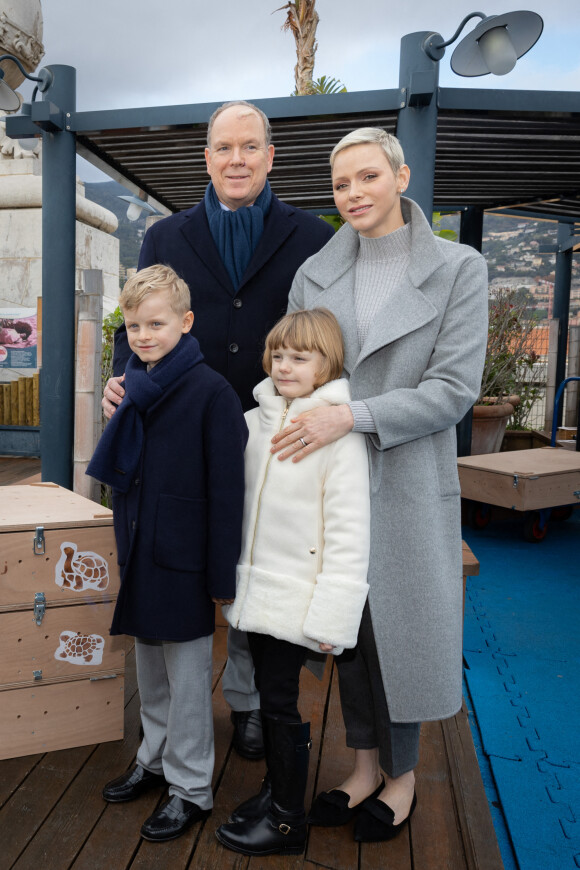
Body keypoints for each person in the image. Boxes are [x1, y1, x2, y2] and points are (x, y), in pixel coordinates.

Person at [270, 128, 489, 842]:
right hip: (333, 486)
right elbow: (300, 370)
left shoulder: (459, 269)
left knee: (401, 637)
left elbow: (454, 390)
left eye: (368, 177)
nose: (354, 194)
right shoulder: (315, 274)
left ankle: (403, 779)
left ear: (400, 177)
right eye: (341, 185)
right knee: (350, 632)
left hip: (405, 480)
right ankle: (362, 766)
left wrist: (352, 415)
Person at [102, 100, 334, 759]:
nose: (237, 159)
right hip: (177, 440)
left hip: (271, 440)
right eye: (224, 148)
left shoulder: (314, 238)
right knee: (178, 567)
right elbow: (135, 326)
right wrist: (122, 377)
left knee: (255, 575)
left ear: (270, 155)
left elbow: (323, 339)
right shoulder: (164, 237)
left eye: (250, 147)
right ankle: (170, 724)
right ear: (206, 158)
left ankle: (250, 703)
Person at [88, 264, 247, 842]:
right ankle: (152, 760)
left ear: (186, 321)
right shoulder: (132, 385)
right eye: (133, 326)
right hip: (139, 545)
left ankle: (191, 787)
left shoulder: (212, 393)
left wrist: (221, 572)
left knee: (186, 679)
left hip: (185, 558)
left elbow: (229, 492)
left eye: (156, 323)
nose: (144, 335)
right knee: (149, 670)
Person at [215, 308, 371, 856]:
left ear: (326, 364)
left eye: (299, 358)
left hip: (296, 598)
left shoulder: (337, 436)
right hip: (255, 594)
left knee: (280, 701)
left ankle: (286, 821)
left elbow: (350, 532)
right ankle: (274, 793)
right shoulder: (255, 420)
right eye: (278, 355)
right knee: (267, 692)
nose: (284, 366)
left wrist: (333, 616)